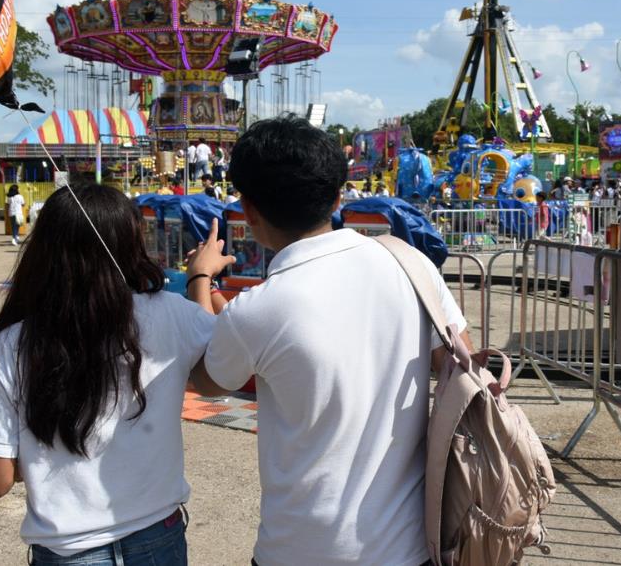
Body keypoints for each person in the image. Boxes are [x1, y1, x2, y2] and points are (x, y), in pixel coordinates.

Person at [184, 117, 471, 566]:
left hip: (300, 547)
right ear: (338, 197)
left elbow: (207, 378)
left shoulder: (261, 307)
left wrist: (201, 278)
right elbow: (458, 361)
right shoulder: (410, 265)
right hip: (409, 545)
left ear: (250, 209)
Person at [0, 184, 212, 565]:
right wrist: (201, 279)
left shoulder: (12, 343)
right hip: (158, 537)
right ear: (131, 244)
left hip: (68, 550)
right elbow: (218, 373)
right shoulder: (172, 312)